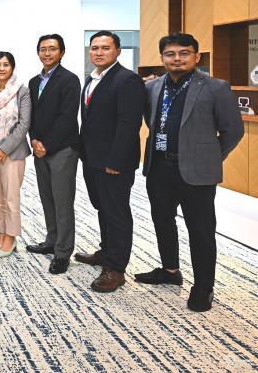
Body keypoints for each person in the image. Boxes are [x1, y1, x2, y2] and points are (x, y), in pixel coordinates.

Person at [135, 33, 244, 312]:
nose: (177, 59)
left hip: (196, 171)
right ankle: (170, 271)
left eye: (184, 53)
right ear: (162, 58)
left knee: (201, 230)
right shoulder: (152, 87)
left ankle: (204, 287)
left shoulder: (216, 87)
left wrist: (209, 156)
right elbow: (151, 121)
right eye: (170, 54)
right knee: (162, 220)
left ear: (197, 56)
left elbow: (233, 130)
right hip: (159, 166)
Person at [75, 30, 145, 292]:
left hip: (114, 163)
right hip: (93, 159)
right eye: (94, 48)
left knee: (116, 213)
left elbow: (129, 124)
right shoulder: (92, 78)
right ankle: (106, 252)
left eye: (105, 48)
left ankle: (116, 268)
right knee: (102, 208)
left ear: (117, 51)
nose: (99, 52)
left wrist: (116, 161)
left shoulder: (127, 80)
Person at [25, 34, 81, 275]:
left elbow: (67, 117)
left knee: (63, 202)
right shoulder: (34, 82)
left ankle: (63, 252)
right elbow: (31, 116)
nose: (47, 53)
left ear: (62, 52)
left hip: (62, 149)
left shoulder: (69, 80)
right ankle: (51, 240)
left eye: (52, 49)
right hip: (40, 149)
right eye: (43, 49)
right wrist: (34, 140)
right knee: (47, 198)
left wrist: (46, 144)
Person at [0, 51, 31, 258]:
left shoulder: (22, 90)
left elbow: (24, 124)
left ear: (12, 67)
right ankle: (2, 231)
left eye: (6, 64)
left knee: (11, 196)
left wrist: (4, 149)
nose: (1, 68)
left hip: (12, 151)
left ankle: (11, 237)